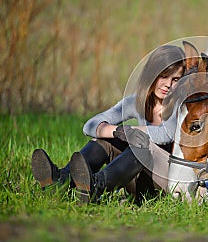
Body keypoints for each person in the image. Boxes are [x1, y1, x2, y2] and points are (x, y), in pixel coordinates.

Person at [31, 44, 185, 203]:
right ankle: (62, 181)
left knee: (141, 144)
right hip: (137, 178)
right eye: (164, 76)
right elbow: (90, 125)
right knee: (105, 141)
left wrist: (129, 131)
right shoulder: (137, 101)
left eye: (175, 79)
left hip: (167, 185)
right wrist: (117, 131)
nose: (168, 84)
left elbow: (164, 135)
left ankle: (96, 186)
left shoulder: (184, 106)